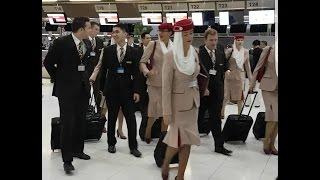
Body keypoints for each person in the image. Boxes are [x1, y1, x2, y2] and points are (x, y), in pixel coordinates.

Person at [43, 17, 92, 174]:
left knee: (80, 121)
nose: (91, 30)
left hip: (83, 89)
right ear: (81, 29)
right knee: (67, 123)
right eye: (89, 27)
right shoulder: (61, 43)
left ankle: (78, 150)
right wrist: (59, 79)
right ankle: (67, 159)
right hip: (66, 90)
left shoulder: (88, 43)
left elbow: (87, 63)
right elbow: (48, 63)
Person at [161, 19, 200, 180]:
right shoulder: (171, 56)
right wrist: (166, 112)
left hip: (192, 103)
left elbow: (196, 76)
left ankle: (181, 175)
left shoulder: (194, 52)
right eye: (185, 34)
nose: (189, 37)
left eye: (191, 33)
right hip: (177, 106)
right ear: (178, 36)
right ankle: (166, 162)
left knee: (188, 141)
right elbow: (166, 87)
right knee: (177, 140)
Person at [99, 23, 142, 157]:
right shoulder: (108, 50)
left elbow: (137, 74)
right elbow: (103, 71)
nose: (114, 34)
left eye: (117, 31)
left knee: (131, 119)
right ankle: (111, 143)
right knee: (111, 118)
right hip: (112, 91)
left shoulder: (134, 52)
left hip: (128, 92)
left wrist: (137, 91)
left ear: (125, 34)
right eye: (113, 32)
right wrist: (102, 89)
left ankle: (133, 146)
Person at [198, 28, 233, 156]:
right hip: (203, 91)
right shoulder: (199, 52)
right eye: (211, 40)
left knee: (216, 118)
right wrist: (203, 88)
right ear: (205, 40)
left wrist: (227, 70)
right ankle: (186, 141)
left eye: (216, 40)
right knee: (198, 116)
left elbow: (225, 63)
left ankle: (219, 145)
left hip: (217, 89)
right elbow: (197, 73)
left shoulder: (219, 49)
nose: (214, 42)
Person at [140, 23, 173, 144]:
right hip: (154, 83)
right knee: (153, 109)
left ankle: (162, 136)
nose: (161, 33)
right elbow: (142, 62)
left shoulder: (174, 47)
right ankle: (148, 130)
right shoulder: (153, 44)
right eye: (160, 30)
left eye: (164, 31)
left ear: (170, 33)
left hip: (169, 84)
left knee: (166, 111)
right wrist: (147, 72)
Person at [249, 45, 278, 155]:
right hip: (268, 86)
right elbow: (258, 67)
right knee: (272, 114)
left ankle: (272, 144)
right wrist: (252, 83)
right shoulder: (269, 49)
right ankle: (266, 141)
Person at [221, 35, 252, 118]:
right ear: (235, 40)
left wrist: (251, 79)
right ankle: (222, 112)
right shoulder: (230, 50)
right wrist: (225, 71)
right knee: (226, 96)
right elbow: (223, 62)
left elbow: (247, 66)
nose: (240, 41)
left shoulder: (246, 51)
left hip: (240, 77)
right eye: (238, 40)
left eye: (241, 40)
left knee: (240, 97)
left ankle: (239, 114)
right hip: (229, 76)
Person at [83, 21, 104, 113]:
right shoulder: (83, 40)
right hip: (85, 72)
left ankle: (99, 115)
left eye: (98, 30)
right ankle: (86, 113)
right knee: (86, 93)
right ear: (90, 29)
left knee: (97, 94)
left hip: (97, 73)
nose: (97, 32)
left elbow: (101, 57)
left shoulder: (99, 41)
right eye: (96, 29)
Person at [137, 32, 151, 141]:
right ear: (142, 40)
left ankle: (150, 132)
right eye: (147, 38)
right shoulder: (137, 51)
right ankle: (143, 133)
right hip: (141, 85)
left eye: (150, 38)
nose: (149, 40)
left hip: (152, 84)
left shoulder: (154, 51)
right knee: (144, 112)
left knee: (152, 112)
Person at [246, 40, 263, 107]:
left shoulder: (250, 51)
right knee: (258, 89)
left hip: (250, 73)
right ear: (259, 44)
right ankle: (257, 104)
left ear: (253, 45)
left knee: (248, 87)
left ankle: (247, 103)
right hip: (259, 74)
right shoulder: (262, 52)